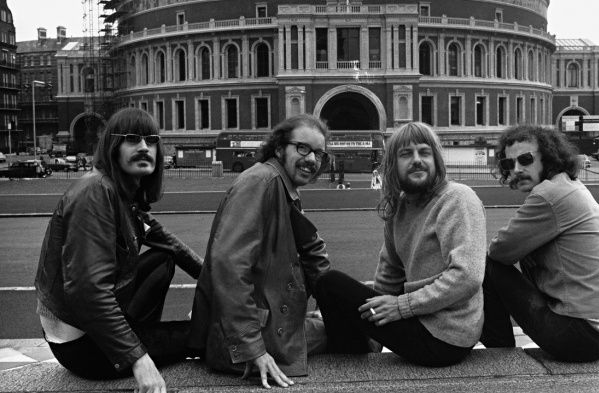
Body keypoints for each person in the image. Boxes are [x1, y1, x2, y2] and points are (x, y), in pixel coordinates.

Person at [34, 108, 203, 393]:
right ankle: (138, 338)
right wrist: (138, 358)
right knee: (200, 336)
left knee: (163, 256)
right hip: (82, 346)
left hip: (87, 326)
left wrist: (220, 283)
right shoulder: (95, 193)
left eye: (151, 141)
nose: (144, 148)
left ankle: (140, 332)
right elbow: (87, 291)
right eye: (132, 139)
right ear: (113, 146)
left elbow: (172, 245)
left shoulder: (123, 193)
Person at [314, 122, 487, 367]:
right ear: (393, 165)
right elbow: (389, 274)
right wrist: (373, 327)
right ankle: (355, 352)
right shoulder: (399, 208)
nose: (417, 160)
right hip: (420, 322)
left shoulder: (457, 198)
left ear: (437, 159)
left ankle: (344, 356)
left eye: (424, 152)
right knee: (334, 290)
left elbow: (467, 276)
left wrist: (401, 306)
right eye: (406, 154)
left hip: (445, 337)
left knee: (330, 284)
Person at [189, 114, 331, 389]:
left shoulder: (279, 183)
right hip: (248, 342)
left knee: (349, 323)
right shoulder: (261, 183)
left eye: (319, 153)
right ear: (279, 148)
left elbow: (312, 251)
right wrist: (253, 349)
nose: (312, 160)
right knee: (361, 334)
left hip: (264, 325)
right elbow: (229, 265)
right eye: (303, 148)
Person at [480, 125, 599, 362]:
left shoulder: (548, 195)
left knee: (488, 266)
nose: (517, 169)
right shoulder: (569, 184)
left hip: (582, 335)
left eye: (525, 159)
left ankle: (500, 355)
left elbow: (500, 250)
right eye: (509, 164)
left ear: (548, 158)